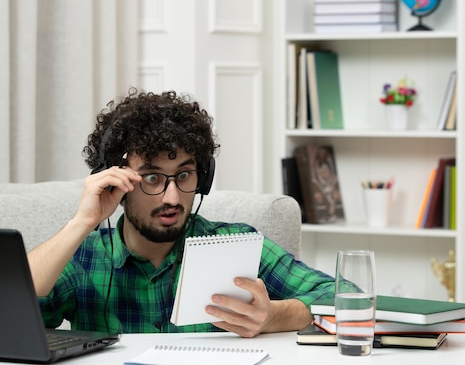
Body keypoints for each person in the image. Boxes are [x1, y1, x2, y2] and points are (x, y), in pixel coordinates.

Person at [28, 88, 335, 338]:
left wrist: (274, 316)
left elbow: (347, 298)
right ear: (115, 181)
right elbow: (3, 309)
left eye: (184, 175)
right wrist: (82, 222)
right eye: (152, 178)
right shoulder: (85, 256)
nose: (172, 197)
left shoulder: (233, 244)